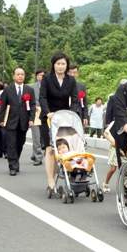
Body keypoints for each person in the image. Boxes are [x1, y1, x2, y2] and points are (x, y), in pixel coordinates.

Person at [39, 52, 79, 189]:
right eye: (58, 64)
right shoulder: (46, 79)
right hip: (49, 118)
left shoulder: (71, 80)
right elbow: (42, 97)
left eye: (63, 64)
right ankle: (50, 180)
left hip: (65, 119)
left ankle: (66, 175)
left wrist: (72, 113)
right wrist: (48, 112)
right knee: (50, 149)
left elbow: (75, 99)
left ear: (67, 65)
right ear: (53, 65)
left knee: (63, 147)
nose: (61, 66)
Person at [0, 68, 36, 176]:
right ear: (13, 76)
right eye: (18, 74)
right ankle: (13, 166)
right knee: (11, 145)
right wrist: (1, 119)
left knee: (20, 143)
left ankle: (15, 160)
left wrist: (31, 119)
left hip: (23, 121)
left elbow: (32, 106)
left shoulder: (29, 90)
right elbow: (3, 105)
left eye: (22, 74)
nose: (20, 76)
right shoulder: (8, 89)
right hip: (11, 121)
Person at [30, 68, 46, 166]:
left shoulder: (50, 87)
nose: (40, 77)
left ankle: (34, 153)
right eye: (39, 75)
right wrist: (33, 105)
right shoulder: (31, 87)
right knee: (36, 136)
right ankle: (38, 157)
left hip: (45, 114)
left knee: (43, 137)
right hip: (35, 114)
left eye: (42, 75)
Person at [102, 121, 117, 193]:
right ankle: (106, 183)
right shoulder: (114, 122)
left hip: (125, 146)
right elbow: (105, 133)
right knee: (113, 169)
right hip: (114, 147)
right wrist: (112, 140)